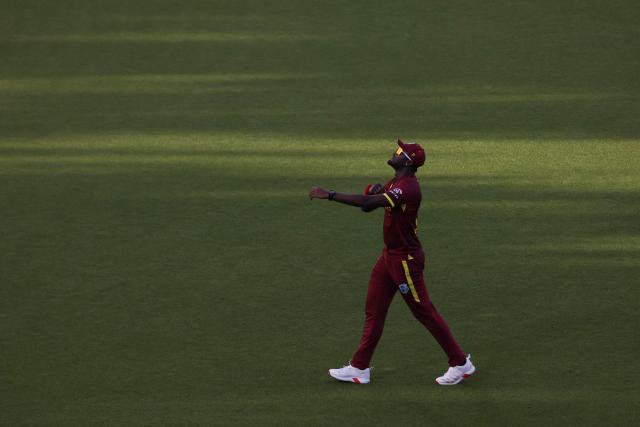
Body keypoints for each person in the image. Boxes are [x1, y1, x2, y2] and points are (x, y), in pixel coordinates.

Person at [308, 139, 475, 385]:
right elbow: (371, 206)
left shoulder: (408, 187)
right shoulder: (396, 182)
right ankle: (359, 368)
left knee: (424, 312)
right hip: (389, 257)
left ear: (407, 161)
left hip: (405, 261)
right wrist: (377, 192)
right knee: (374, 311)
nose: (394, 153)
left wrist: (330, 195)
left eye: (399, 152)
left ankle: (460, 363)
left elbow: (366, 204)